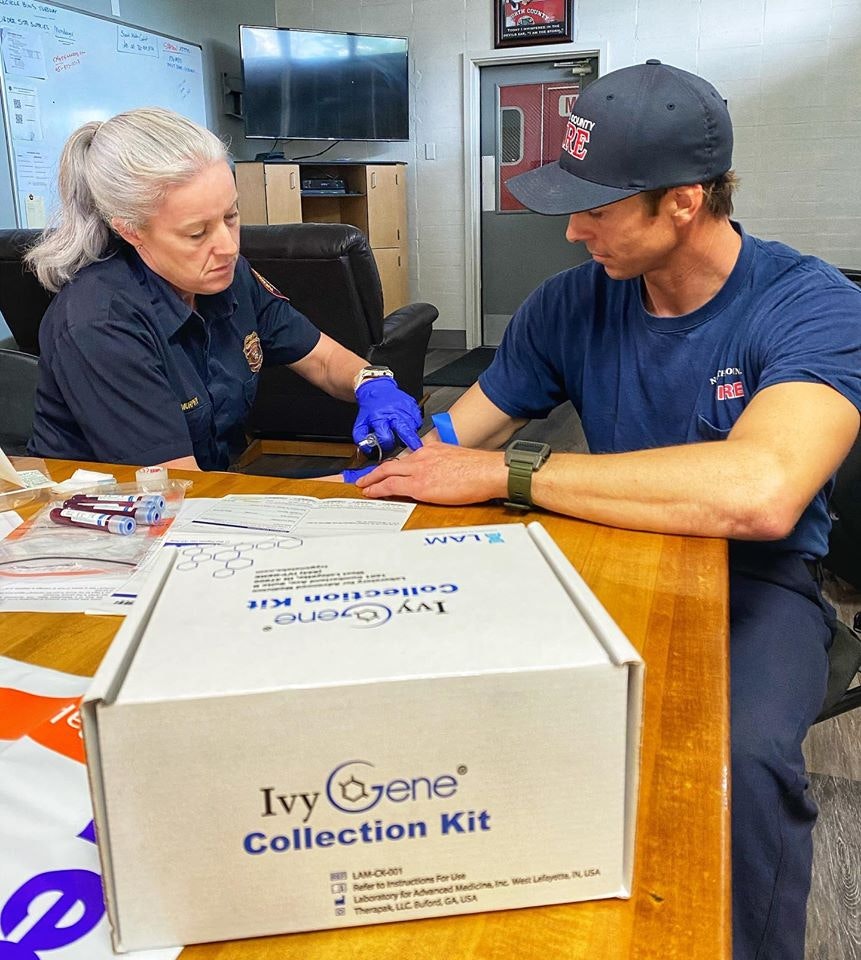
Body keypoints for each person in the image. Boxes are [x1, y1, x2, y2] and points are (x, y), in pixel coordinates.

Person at [357, 61, 861, 960]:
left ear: (683, 202)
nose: (572, 230)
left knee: (739, 758)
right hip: (601, 556)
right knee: (464, 705)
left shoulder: (810, 304)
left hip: (752, 584)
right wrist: (390, 459)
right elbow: (456, 442)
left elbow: (761, 493)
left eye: (596, 208)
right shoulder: (569, 303)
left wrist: (509, 475)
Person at [25, 107, 421, 472]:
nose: (229, 247)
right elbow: (179, 490)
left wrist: (372, 383)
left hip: (209, 491)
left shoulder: (228, 277)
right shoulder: (99, 322)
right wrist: (367, 486)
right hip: (112, 513)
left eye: (230, 216)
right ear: (130, 231)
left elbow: (322, 359)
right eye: (197, 233)